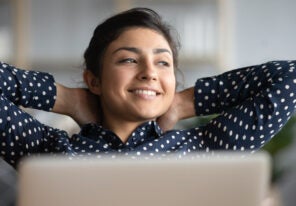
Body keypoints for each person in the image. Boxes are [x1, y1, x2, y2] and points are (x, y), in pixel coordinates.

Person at [0, 7, 296, 168]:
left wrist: (185, 102)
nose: (149, 73)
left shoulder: (204, 148)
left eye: (163, 63)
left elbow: (291, 77)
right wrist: (65, 98)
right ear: (94, 80)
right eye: (129, 59)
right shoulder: (47, 150)